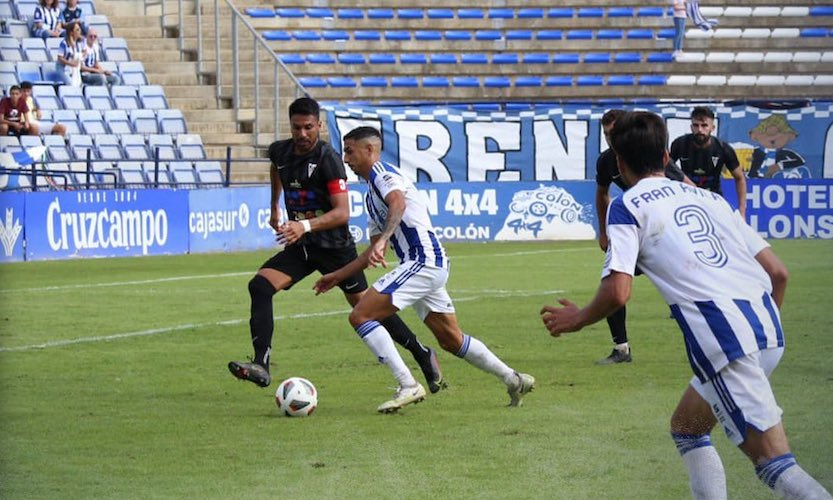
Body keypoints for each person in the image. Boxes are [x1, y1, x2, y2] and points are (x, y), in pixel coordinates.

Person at [541, 111, 831, 500]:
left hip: (726, 344)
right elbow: (778, 273)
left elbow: (618, 292)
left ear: (620, 164)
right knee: (688, 428)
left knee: (776, 464)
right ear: (666, 158)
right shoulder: (711, 199)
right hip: (767, 329)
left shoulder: (627, 207)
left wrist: (576, 319)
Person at [228, 97, 445, 397]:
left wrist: (302, 225)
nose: (302, 134)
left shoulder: (329, 159)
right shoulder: (280, 150)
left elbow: (342, 213)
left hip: (334, 249)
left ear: (318, 125)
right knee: (260, 287)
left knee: (367, 308)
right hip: (302, 246)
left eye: (308, 127)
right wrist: (274, 207)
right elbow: (276, 168)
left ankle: (422, 353)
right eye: (296, 128)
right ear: (289, 126)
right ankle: (261, 364)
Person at [313, 126, 535, 413]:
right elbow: (371, 251)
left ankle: (408, 384)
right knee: (451, 339)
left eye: (350, 151)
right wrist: (338, 276)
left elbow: (399, 203)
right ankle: (513, 379)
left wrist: (383, 240)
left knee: (360, 315)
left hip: (423, 260)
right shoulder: (370, 195)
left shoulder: (384, 174)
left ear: (370, 150)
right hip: (425, 265)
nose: (346, 159)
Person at [594, 109, 694, 365]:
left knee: (686, 283)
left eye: (613, 133)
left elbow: (688, 186)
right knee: (612, 282)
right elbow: (602, 193)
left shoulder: (651, 161)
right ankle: (621, 349)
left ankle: (703, 339)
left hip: (662, 231)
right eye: (606, 134)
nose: (609, 138)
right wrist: (603, 232)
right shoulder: (606, 162)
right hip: (631, 230)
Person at [670, 106, 747, 219]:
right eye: (696, 125)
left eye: (704, 125)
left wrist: (742, 211)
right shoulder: (679, 144)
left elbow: (740, 178)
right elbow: (666, 168)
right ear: (691, 127)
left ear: (712, 127)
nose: (700, 130)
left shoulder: (723, 149)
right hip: (686, 199)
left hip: (714, 199)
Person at [56, 21, 84, 87]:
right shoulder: (64, 43)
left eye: (79, 29)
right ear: (71, 32)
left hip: (74, 68)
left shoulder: (78, 43)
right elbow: (60, 57)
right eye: (77, 30)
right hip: (62, 68)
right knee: (71, 83)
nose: (79, 31)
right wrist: (71, 63)